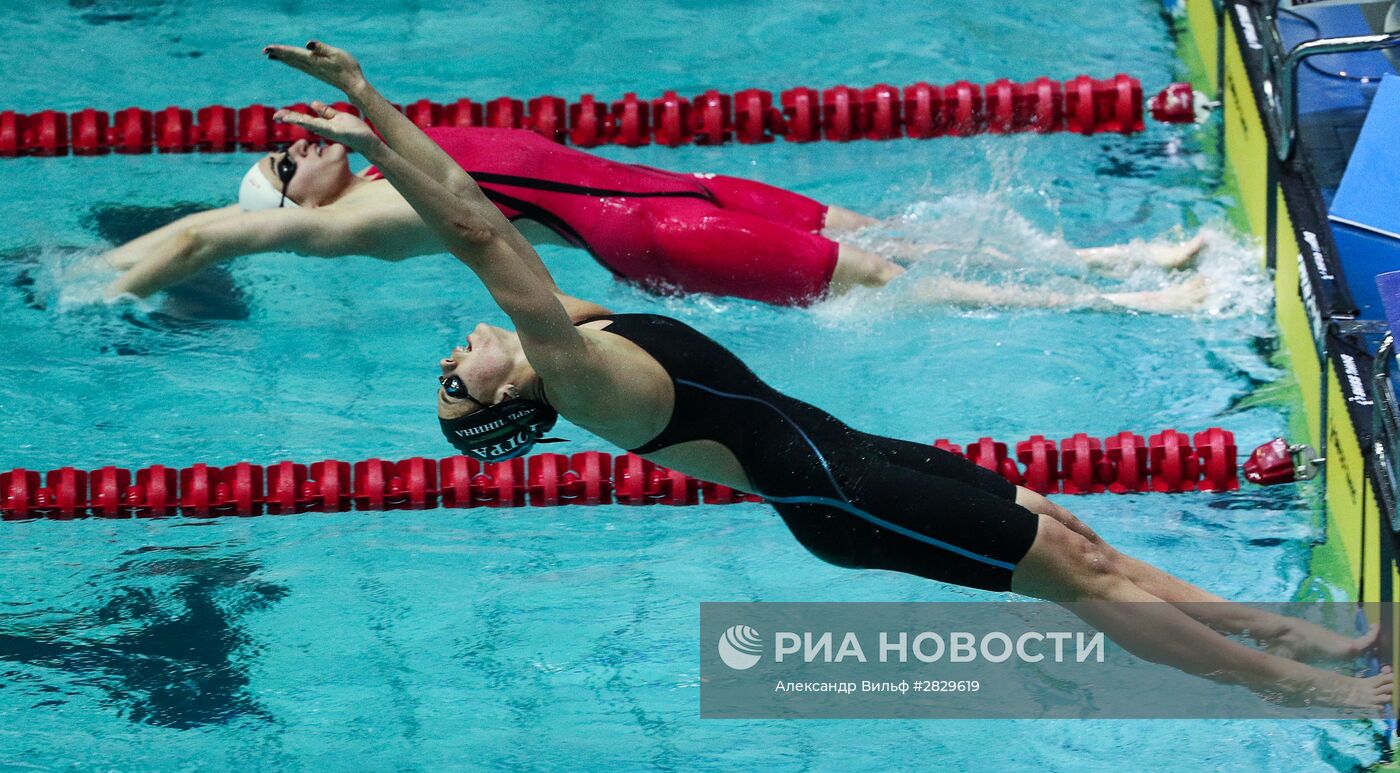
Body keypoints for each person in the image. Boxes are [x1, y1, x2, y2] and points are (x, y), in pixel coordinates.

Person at [262, 41, 1391, 711]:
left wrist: (371, 112)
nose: (452, 354)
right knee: (1075, 582)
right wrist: (371, 117)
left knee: (1074, 533)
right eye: (455, 380)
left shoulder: (574, 326)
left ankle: (1279, 630)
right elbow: (472, 224)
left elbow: (471, 195)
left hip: (853, 449)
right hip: (848, 499)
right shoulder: (574, 369)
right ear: (512, 399)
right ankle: (1295, 687)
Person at [100, 70, 1207, 313]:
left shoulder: (391, 155)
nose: (302, 152)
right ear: (290, 202)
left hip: (680, 181)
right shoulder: (368, 215)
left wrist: (361, 113)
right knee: (891, 280)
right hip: (651, 230)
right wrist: (100, 279)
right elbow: (212, 236)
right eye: (284, 163)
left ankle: (1106, 262)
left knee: (906, 235)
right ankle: (1129, 304)